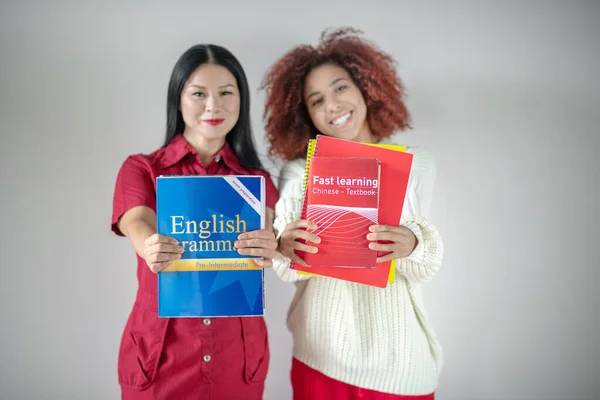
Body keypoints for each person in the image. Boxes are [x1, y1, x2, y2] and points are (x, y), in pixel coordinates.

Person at [260, 27, 444, 399]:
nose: (332, 105)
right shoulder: (299, 171)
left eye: (341, 87)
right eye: (316, 100)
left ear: (367, 88)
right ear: (306, 115)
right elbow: (284, 265)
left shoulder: (416, 164)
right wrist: (287, 245)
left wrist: (411, 244)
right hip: (322, 356)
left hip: (401, 360)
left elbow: (424, 265)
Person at [111, 44, 279, 400]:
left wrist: (272, 244)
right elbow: (137, 219)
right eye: (198, 93)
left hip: (236, 357)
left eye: (225, 93)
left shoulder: (257, 182)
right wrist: (148, 245)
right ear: (178, 99)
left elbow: (273, 231)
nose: (213, 106)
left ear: (241, 101)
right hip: (161, 355)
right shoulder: (142, 168)